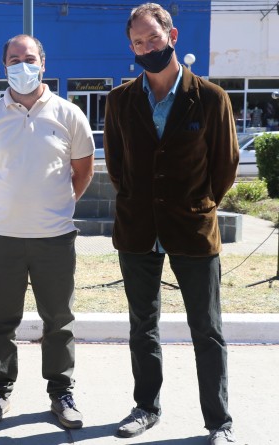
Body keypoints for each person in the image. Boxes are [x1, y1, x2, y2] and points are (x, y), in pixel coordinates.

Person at [104, 4, 239, 444]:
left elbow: (225, 165)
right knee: (142, 326)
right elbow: (117, 166)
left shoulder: (211, 97)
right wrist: (139, 202)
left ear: (172, 36)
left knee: (207, 329)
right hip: (137, 230)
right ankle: (146, 407)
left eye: (153, 39)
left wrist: (198, 204)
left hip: (192, 230)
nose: (147, 49)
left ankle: (219, 422)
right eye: (138, 43)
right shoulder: (119, 100)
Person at [0, 34, 94, 430]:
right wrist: (8, 205)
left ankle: (61, 392)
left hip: (54, 237)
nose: (22, 65)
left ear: (43, 63)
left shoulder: (69, 114)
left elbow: (83, 170)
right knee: (1, 319)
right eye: (14, 59)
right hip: (1, 236)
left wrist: (55, 206)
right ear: (3, 66)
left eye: (29, 58)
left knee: (58, 319)